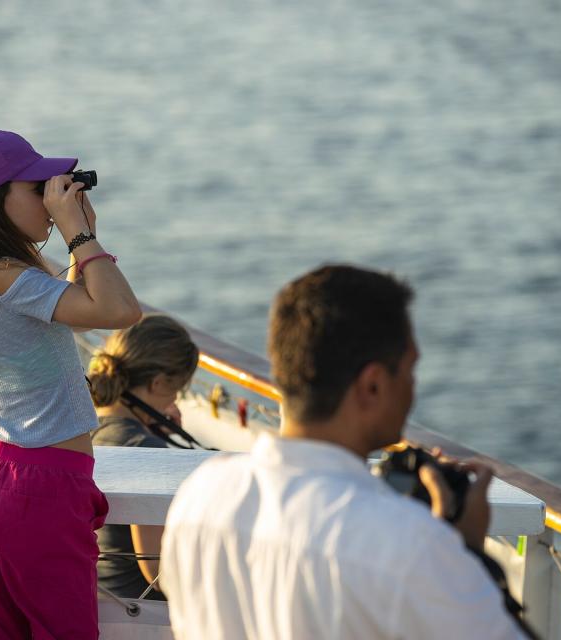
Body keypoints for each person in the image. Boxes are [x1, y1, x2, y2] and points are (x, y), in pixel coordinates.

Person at [160, 264, 530, 639]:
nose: (413, 387)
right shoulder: (412, 547)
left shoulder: (200, 498)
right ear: (372, 385)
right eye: (409, 370)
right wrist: (466, 555)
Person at [0, 129, 141, 639]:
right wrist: (81, 237)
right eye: (36, 187)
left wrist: (79, 239)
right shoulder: (8, 276)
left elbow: (80, 314)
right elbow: (119, 310)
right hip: (40, 486)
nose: (49, 196)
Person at [87, 313, 200, 600]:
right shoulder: (143, 451)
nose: (174, 401)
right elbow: (160, 574)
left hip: (101, 600)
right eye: (177, 390)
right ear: (159, 383)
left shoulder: (85, 433)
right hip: (141, 614)